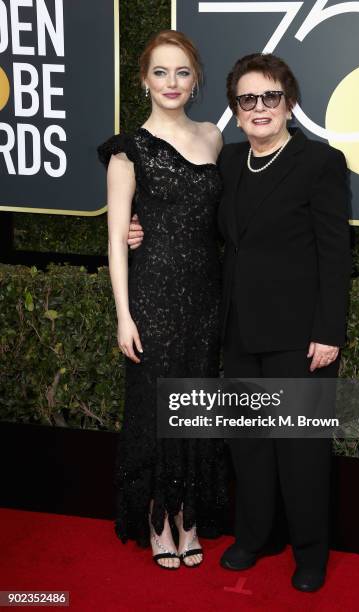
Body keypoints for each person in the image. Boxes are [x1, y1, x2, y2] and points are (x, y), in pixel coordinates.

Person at [128, 52, 351, 591]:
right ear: (235, 108)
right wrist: (143, 231)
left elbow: (336, 253)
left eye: (269, 97)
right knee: (250, 447)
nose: (259, 108)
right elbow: (193, 222)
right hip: (240, 329)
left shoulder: (319, 163)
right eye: (247, 99)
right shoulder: (229, 163)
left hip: (300, 335)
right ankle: (255, 537)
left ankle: (311, 552)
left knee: (300, 449)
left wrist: (329, 331)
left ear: (288, 102)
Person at [96, 30, 228, 570]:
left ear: (195, 82)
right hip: (152, 295)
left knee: (196, 403)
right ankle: (158, 518)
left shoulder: (214, 139)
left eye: (182, 73)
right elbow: (114, 239)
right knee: (155, 408)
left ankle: (189, 514)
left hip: (206, 296)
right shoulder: (127, 150)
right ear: (144, 79)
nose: (171, 82)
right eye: (160, 72)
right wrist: (124, 315)